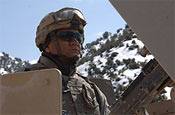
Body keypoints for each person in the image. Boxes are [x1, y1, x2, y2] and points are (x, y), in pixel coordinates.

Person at [25, 7, 110, 115]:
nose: (75, 42)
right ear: (46, 44)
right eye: (67, 37)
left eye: (78, 37)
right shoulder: (22, 84)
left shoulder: (91, 90)